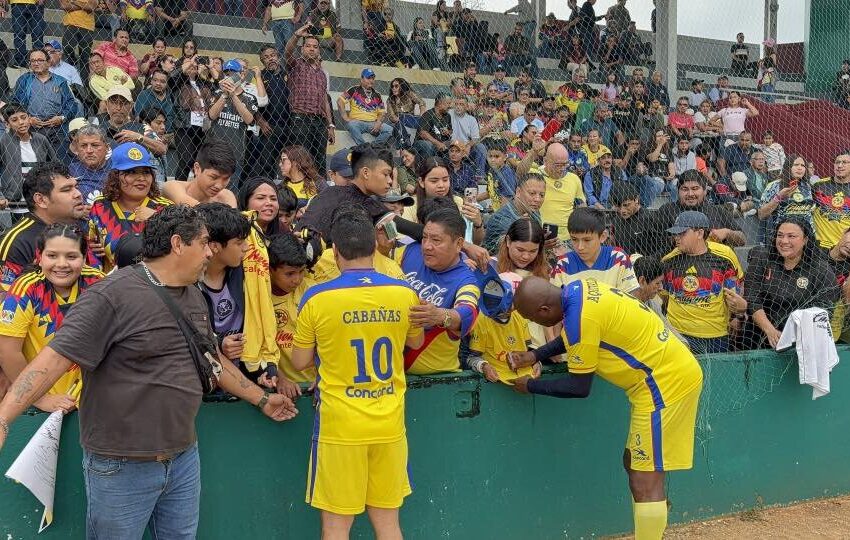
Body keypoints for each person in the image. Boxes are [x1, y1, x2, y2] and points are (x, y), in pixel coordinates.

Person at [0, 205, 298, 538]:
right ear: (178, 244)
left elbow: (211, 361)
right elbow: (52, 360)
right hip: (121, 464)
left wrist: (261, 398)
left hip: (183, 456)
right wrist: (4, 418)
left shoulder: (193, 296)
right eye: (204, 243)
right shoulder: (110, 296)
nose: (210, 252)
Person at [510, 275, 703, 540]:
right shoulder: (579, 290)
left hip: (664, 385)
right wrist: (536, 355)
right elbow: (578, 336)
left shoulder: (580, 318)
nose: (535, 323)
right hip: (661, 379)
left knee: (644, 478)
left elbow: (579, 388)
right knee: (634, 462)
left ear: (544, 310)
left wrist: (530, 387)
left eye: (533, 318)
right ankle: (650, 527)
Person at [291, 206, 423, 538]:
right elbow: (415, 340)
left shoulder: (316, 297)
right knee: (389, 525)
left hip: (340, 426)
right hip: (389, 422)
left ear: (335, 251)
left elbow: (299, 362)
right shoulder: (404, 292)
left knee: (336, 528)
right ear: (374, 247)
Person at [0, 225, 103, 413]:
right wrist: (39, 398)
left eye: (71, 256)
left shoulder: (98, 283)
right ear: (39, 257)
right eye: (52, 256)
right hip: (40, 405)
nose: (62, 264)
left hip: (92, 400)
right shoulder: (26, 288)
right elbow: (7, 351)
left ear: (84, 257)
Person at [395, 207, 480, 374]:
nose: (426, 246)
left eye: (436, 240)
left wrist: (440, 316)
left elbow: (468, 313)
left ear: (459, 244)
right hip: (392, 375)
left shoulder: (467, 281)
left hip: (438, 383)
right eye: (424, 237)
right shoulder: (409, 251)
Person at [745, 217, 839, 349]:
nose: (784, 241)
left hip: (803, 341)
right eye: (780, 235)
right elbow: (752, 298)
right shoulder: (762, 259)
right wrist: (770, 331)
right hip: (758, 336)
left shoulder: (820, 269)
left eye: (791, 236)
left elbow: (825, 308)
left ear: (805, 240)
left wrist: (792, 335)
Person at [662, 211, 746, 354]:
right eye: (675, 234)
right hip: (679, 334)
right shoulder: (668, 261)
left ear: (700, 233)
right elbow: (664, 297)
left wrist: (737, 316)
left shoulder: (725, 256)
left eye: (682, 233)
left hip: (715, 334)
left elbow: (735, 293)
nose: (676, 238)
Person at [0, 163, 86, 293]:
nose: (78, 194)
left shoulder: (77, 229)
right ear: (41, 200)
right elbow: (5, 299)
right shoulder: (17, 242)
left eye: (76, 187)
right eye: (67, 189)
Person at [87, 142, 170, 272]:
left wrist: (158, 219)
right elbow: (92, 256)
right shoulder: (100, 207)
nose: (141, 178)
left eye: (146, 172)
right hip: (112, 285)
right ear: (116, 176)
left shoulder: (165, 209)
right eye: (131, 172)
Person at [267, 232, 316, 389]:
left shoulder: (313, 292)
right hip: (279, 386)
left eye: (301, 271)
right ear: (270, 269)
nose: (297, 279)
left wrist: (325, 375)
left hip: (315, 383)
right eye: (289, 274)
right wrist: (279, 377)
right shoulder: (258, 297)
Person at [551, 206, 638, 291]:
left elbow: (630, 298)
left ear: (603, 237)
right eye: (574, 239)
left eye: (587, 240)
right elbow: (555, 302)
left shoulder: (618, 258)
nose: (580, 247)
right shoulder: (563, 264)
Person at [285, 24, 334, 173]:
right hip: (300, 118)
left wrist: (330, 125)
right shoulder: (296, 65)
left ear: (319, 50)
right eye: (308, 46)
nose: (312, 49)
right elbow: (287, 52)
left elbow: (325, 99)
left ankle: (319, 192)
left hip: (319, 121)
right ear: (302, 49)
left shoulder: (322, 74)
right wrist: (297, 35)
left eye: (315, 46)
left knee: (319, 159)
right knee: (300, 157)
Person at [656, 171, 745, 248]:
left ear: (705, 190)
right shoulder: (666, 210)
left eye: (695, 188)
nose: (690, 194)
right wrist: (681, 238)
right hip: (677, 264)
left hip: (716, 264)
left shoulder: (718, 211)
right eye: (685, 189)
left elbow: (742, 239)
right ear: (678, 191)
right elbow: (654, 241)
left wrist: (728, 233)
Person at [12, 49, 78, 149]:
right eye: (33, 61)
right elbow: (14, 103)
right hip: (32, 128)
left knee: (59, 160)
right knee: (36, 161)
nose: (36, 63)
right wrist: (28, 119)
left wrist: (61, 118)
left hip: (57, 128)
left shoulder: (60, 81)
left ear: (48, 62)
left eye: (39, 60)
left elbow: (71, 103)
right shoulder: (24, 80)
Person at [0, 103, 58, 211]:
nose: (21, 122)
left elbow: (55, 165)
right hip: (16, 203)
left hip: (42, 200)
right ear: (7, 124)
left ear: (29, 118)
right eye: (14, 120)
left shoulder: (41, 139)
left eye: (23, 117)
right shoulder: (3, 142)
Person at [170, 54, 216, 181]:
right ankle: (179, 191)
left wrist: (211, 68)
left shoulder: (204, 84)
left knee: (200, 163)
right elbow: (171, 76)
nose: (192, 64)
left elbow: (219, 86)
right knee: (186, 161)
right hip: (184, 126)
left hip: (202, 128)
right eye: (189, 63)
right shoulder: (177, 83)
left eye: (194, 63)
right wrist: (189, 62)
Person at [163, 138, 238, 207]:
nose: (219, 185)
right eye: (213, 177)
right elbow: (192, 208)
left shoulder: (226, 197)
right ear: (197, 168)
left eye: (225, 179)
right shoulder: (174, 187)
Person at [631, 254, 688, 346]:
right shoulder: (628, 306)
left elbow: (665, 325)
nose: (661, 288)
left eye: (661, 282)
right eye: (657, 283)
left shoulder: (652, 303)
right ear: (642, 281)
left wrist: (683, 344)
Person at [758, 154, 815, 241]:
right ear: (788, 167)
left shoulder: (808, 187)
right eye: (796, 165)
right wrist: (779, 197)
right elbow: (761, 214)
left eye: (802, 165)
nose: (800, 168)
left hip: (806, 238)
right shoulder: (774, 185)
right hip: (783, 238)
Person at [338, 68, 393, 146]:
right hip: (357, 122)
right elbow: (340, 101)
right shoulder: (354, 89)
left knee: (389, 129)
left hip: (372, 123)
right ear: (361, 79)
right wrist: (345, 117)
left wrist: (379, 122)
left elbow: (382, 112)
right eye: (368, 78)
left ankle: (373, 146)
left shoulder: (377, 95)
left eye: (373, 78)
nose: (371, 80)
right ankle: (363, 146)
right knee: (351, 125)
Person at [610, 182, 663, 258]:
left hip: (647, 267)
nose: (622, 210)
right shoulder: (616, 221)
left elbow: (663, 247)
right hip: (624, 267)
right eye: (618, 206)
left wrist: (648, 263)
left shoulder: (650, 218)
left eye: (626, 205)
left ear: (636, 200)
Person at [812, 150, 850, 250]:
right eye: (837, 162)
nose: (840, 165)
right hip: (822, 247)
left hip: (846, 247)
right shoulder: (819, 185)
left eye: (844, 162)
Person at [69, 124, 111, 206]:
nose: (89, 150)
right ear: (77, 149)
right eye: (83, 146)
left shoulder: (117, 170)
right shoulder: (71, 171)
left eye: (95, 145)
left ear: (107, 148)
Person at [386, 78, 425, 148]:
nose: (393, 88)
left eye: (396, 86)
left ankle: (409, 143)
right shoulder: (390, 100)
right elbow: (392, 116)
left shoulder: (409, 94)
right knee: (398, 126)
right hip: (396, 121)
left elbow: (421, 102)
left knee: (422, 123)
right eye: (392, 86)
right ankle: (406, 144)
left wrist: (421, 115)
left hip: (409, 119)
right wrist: (401, 121)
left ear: (402, 86)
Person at [413, 92, 453, 159]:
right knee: (428, 145)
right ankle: (429, 167)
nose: (450, 106)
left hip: (442, 143)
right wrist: (437, 143)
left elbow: (450, 130)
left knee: (454, 144)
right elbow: (423, 134)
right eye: (448, 103)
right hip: (424, 143)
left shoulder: (447, 116)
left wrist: (448, 132)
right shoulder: (428, 115)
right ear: (440, 103)